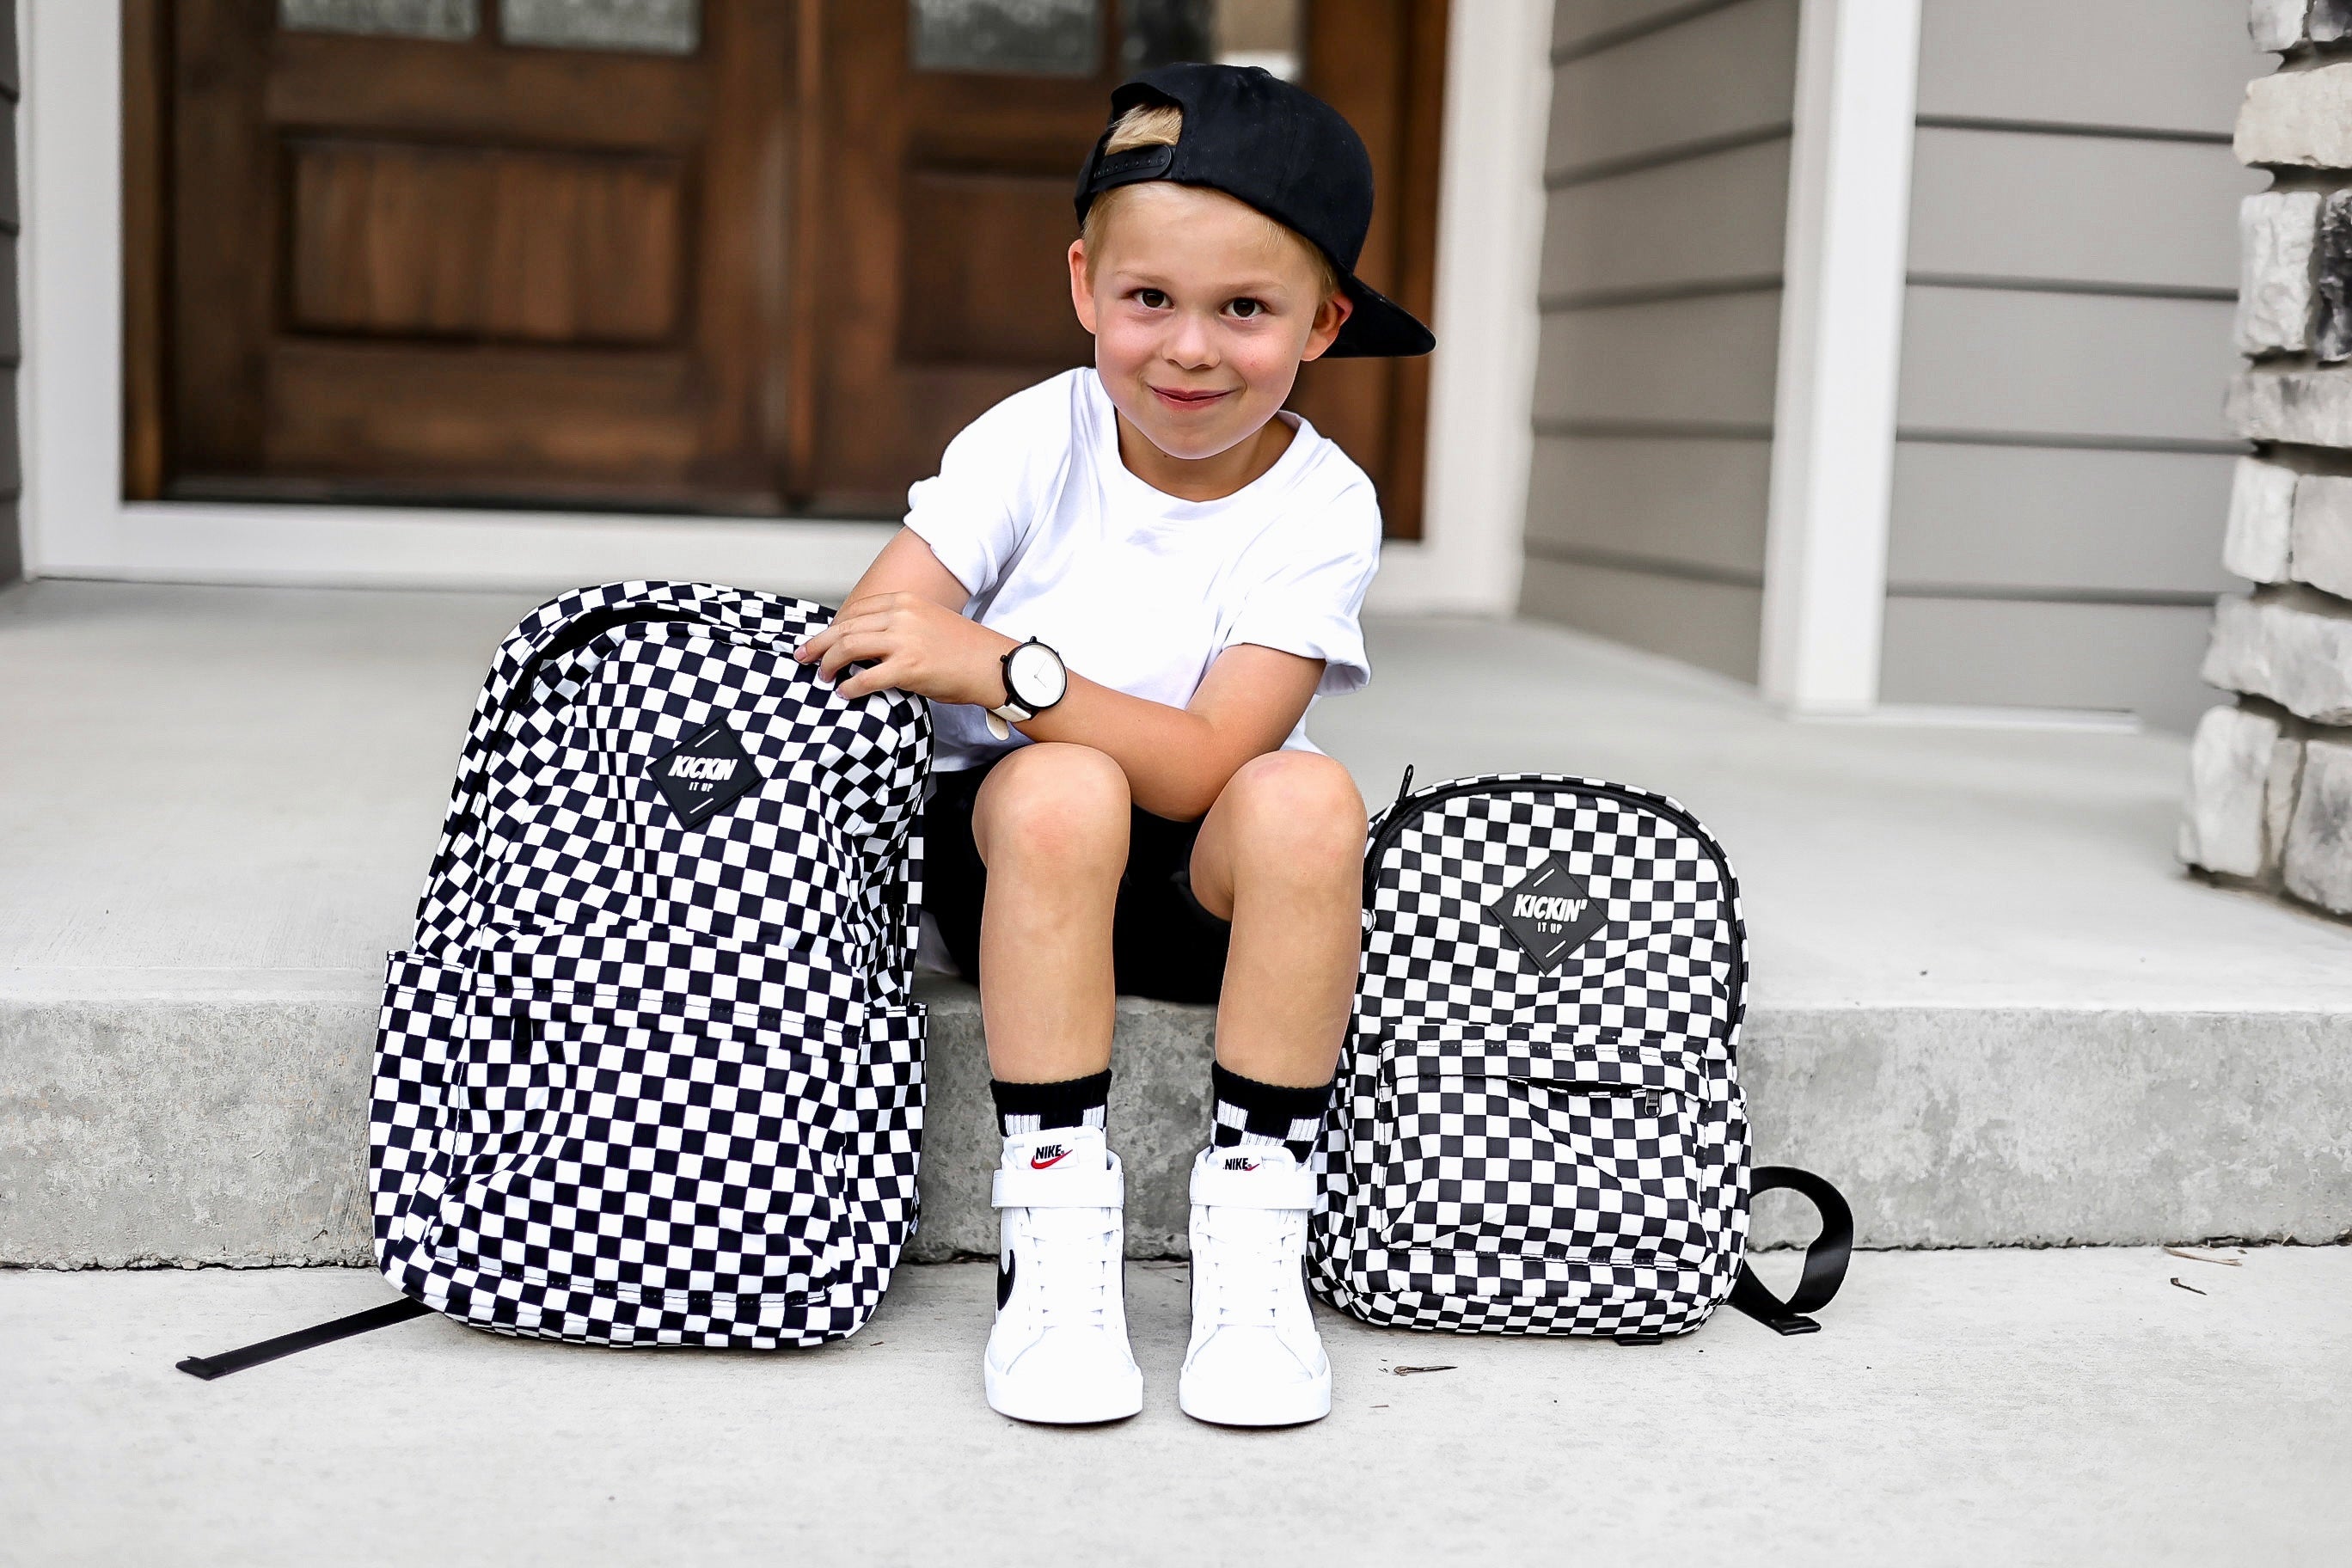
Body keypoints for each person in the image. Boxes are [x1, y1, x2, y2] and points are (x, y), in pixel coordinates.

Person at [793, 62, 1433, 1427]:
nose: (1190, 348)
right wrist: (953, 656)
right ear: (1086, 285)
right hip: (1011, 869)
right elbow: (875, 626)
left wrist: (1005, 666)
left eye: (1245, 310)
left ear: (1323, 323)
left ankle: (1256, 1225)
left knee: (1307, 797)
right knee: (1065, 785)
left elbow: (1206, 765)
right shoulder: (1040, 436)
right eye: (1150, 299)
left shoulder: (1324, 503)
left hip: (1202, 890)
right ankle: (1056, 1217)